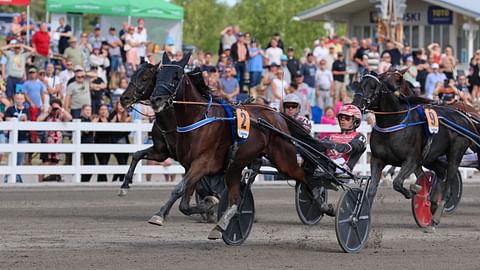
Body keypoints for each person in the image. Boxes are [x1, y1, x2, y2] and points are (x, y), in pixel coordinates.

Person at [37, 98, 72, 182]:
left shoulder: (61, 116)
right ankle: (40, 182)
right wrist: (48, 112)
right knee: (45, 163)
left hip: (57, 143)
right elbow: (38, 120)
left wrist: (61, 109)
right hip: (47, 142)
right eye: (54, 107)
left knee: (54, 162)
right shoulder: (47, 115)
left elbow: (70, 118)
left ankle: (53, 180)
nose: (55, 110)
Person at [4, 93, 31, 183]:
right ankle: (8, 179)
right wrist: (17, 119)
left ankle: (17, 178)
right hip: (11, 137)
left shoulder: (27, 110)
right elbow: (7, 119)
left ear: (24, 100)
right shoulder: (10, 109)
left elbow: (29, 122)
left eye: (21, 99)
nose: (19, 100)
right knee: (11, 159)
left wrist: (25, 120)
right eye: (18, 99)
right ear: (15, 99)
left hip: (22, 137)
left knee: (19, 160)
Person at [109, 101, 132, 182]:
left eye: (123, 105)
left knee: (124, 161)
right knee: (121, 160)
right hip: (116, 141)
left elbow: (128, 131)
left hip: (125, 140)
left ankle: (116, 178)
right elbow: (111, 127)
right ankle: (122, 178)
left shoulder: (127, 115)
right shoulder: (113, 114)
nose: (121, 107)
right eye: (119, 105)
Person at [93, 104, 111, 182]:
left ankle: (101, 179)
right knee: (102, 161)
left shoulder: (109, 120)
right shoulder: (97, 119)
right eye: (102, 109)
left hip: (108, 143)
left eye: (105, 109)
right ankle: (103, 180)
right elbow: (91, 126)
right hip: (99, 142)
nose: (103, 111)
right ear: (99, 111)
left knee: (105, 162)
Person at [80, 104, 95, 182]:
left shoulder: (89, 120)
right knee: (89, 165)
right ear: (82, 111)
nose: (88, 112)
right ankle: (83, 181)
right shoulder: (81, 119)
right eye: (86, 110)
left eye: (89, 110)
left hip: (90, 145)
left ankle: (84, 181)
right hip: (84, 144)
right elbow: (86, 130)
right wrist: (93, 123)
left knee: (91, 166)